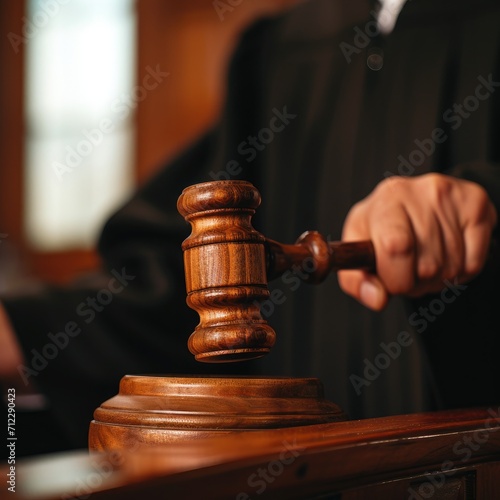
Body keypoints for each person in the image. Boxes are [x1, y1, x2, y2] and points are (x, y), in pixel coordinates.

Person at [1, 0, 499, 457]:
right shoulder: (281, 47)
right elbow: (178, 285)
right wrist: (28, 329)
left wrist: (485, 200)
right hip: (300, 473)